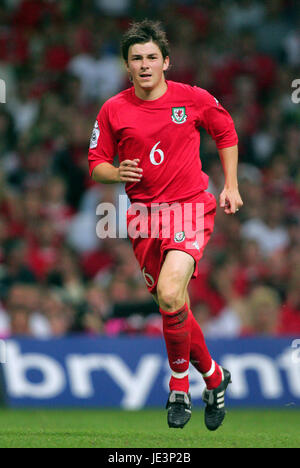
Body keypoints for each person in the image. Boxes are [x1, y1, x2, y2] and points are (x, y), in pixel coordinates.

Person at [88, 20, 243, 431]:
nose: (144, 64)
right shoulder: (113, 109)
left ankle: (179, 387)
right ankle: (214, 376)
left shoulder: (191, 99)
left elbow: (225, 132)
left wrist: (230, 184)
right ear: (126, 65)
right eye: (136, 58)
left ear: (166, 61)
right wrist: (116, 171)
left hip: (189, 207)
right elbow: (96, 165)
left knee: (172, 292)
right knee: (171, 304)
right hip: (143, 218)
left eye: (151, 57)